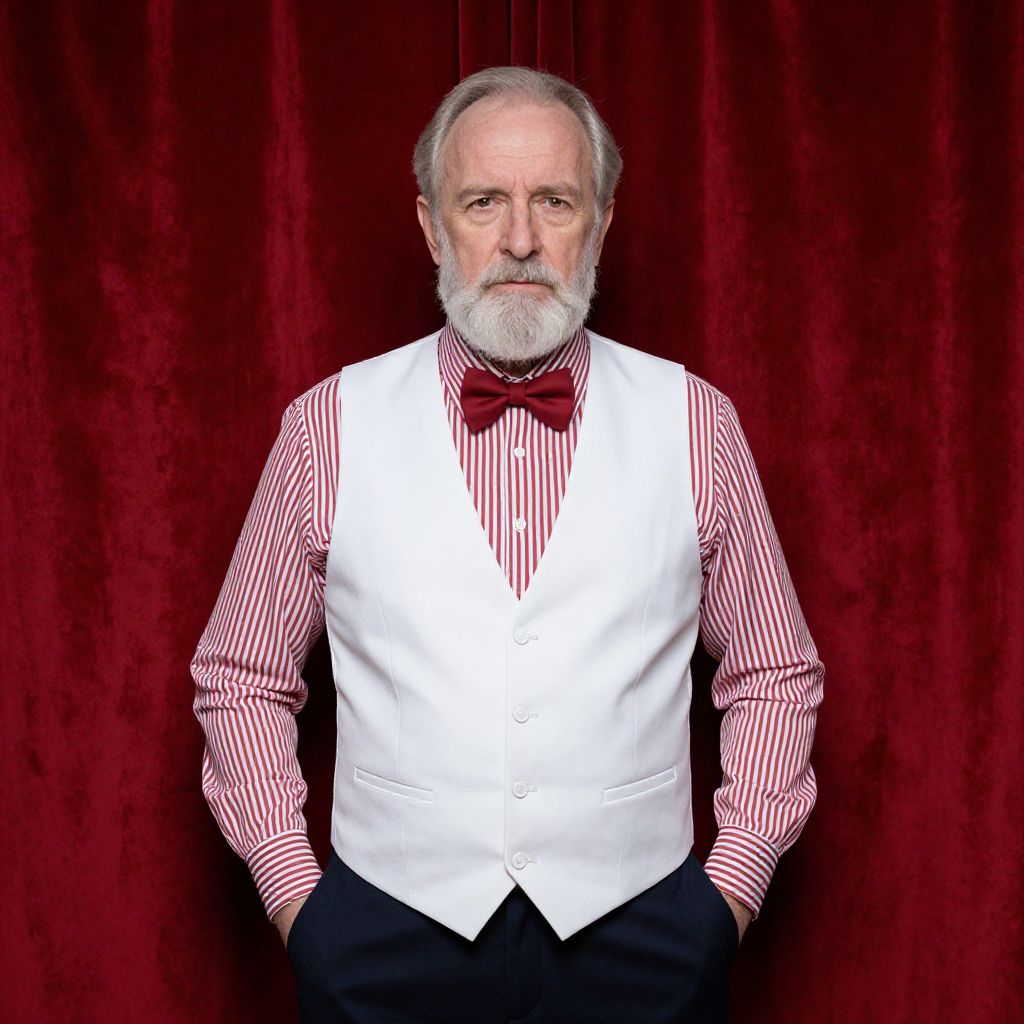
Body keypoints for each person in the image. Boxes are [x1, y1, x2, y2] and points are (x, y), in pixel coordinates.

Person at [191, 65, 825, 1024]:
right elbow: (240, 674)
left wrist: (723, 898)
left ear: (602, 222)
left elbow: (775, 671)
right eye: (484, 200)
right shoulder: (329, 425)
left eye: (555, 202)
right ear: (430, 223)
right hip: (384, 940)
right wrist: (301, 905)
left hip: (645, 940)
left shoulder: (697, 422)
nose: (520, 240)